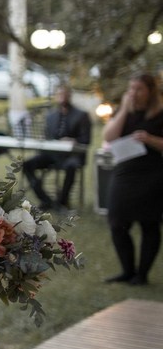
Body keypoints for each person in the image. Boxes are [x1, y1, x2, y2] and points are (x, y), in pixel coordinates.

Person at [102, 72, 163, 285]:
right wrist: (123, 112)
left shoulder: (160, 113)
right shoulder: (124, 111)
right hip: (126, 172)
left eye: (139, 89)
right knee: (117, 221)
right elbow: (109, 137)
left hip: (153, 174)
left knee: (149, 223)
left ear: (150, 92)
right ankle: (127, 270)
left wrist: (150, 139)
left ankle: (142, 274)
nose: (134, 93)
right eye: (131, 89)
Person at [24, 85, 91, 211]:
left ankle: (62, 202)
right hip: (52, 154)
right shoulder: (51, 116)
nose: (62, 97)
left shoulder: (81, 115)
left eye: (64, 94)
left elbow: (86, 140)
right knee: (27, 165)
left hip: (72, 155)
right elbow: (47, 138)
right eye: (59, 94)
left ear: (69, 96)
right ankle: (45, 200)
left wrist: (73, 141)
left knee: (71, 166)